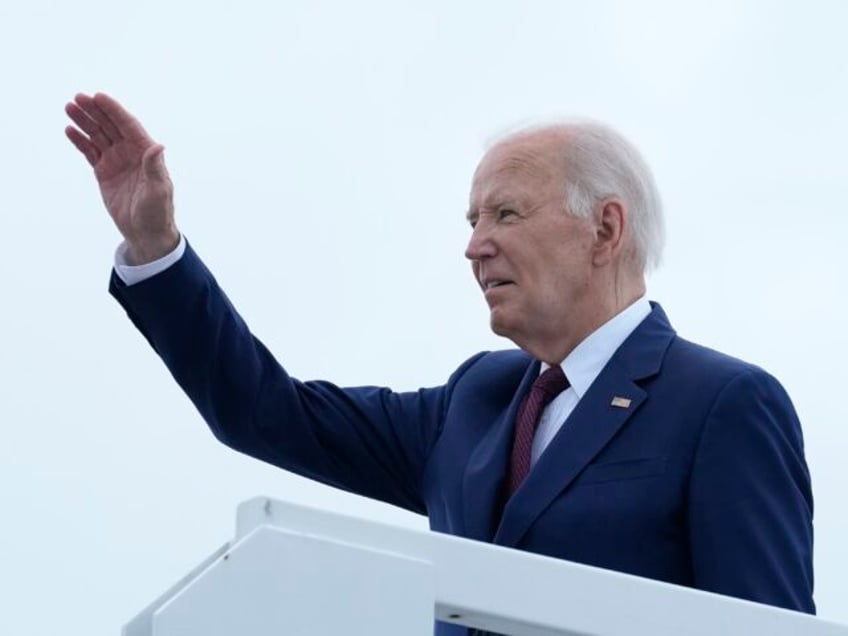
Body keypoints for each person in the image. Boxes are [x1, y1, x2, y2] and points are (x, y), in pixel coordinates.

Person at [65, 93, 815, 631]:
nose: (474, 245)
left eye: (506, 214)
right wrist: (157, 251)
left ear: (605, 228)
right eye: (472, 219)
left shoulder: (723, 404)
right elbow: (265, 411)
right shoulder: (474, 403)